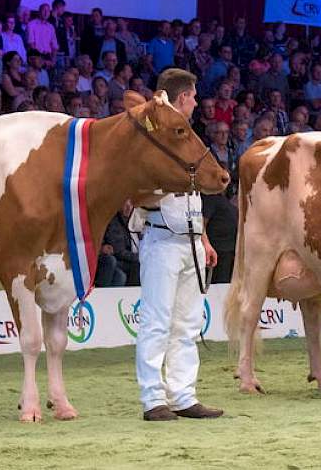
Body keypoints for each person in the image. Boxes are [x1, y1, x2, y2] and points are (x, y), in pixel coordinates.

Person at [133, 68, 223, 421]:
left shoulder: (187, 138)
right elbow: (136, 193)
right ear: (182, 97)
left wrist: (203, 238)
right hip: (160, 238)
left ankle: (184, 395)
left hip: (189, 240)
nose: (197, 102)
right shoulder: (149, 139)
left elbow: (193, 197)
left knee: (187, 323)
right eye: (194, 96)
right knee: (157, 321)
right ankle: (153, 398)